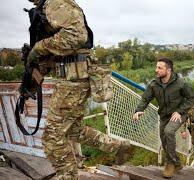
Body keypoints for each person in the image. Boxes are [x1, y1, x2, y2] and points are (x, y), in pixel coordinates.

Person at [25, 0, 130, 179]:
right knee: (75, 130)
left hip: (73, 80)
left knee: (52, 139)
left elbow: (77, 36)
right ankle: (118, 146)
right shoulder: (45, 7)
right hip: (69, 79)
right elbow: (62, 49)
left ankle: (68, 176)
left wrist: (39, 47)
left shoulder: (54, 2)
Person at [133, 57, 194, 178]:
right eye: (156, 67)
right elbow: (145, 99)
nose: (156, 70)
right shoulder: (154, 84)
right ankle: (177, 162)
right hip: (164, 116)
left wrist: (179, 111)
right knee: (164, 139)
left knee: (169, 131)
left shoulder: (181, 83)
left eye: (160, 68)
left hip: (179, 114)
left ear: (169, 70)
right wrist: (139, 110)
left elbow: (191, 98)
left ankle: (170, 163)